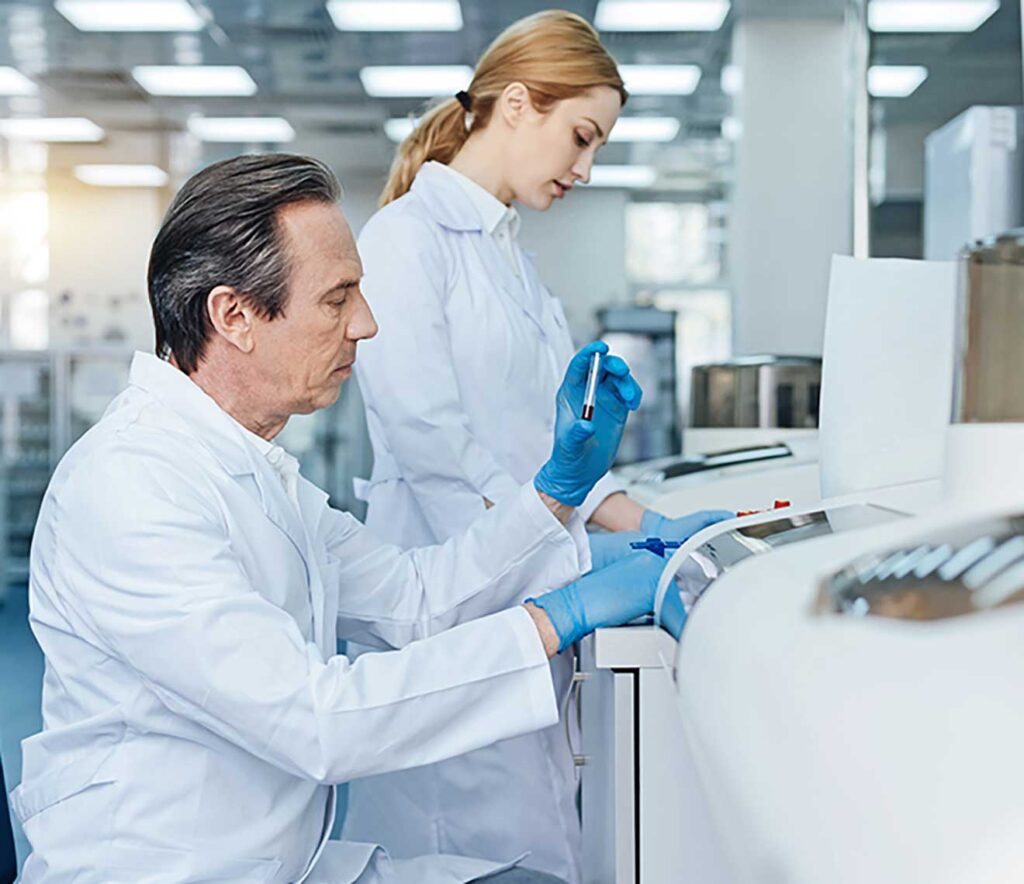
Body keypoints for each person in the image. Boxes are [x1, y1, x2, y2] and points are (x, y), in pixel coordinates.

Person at [10, 154, 675, 884]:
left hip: (280, 862)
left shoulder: (254, 469)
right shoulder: (132, 486)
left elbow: (415, 597)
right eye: (337, 298)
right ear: (233, 315)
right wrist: (558, 617)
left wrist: (555, 491)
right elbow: (319, 720)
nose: (367, 323)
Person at [349, 11, 731, 881]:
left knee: (539, 838)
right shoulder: (406, 240)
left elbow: (558, 461)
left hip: (522, 594)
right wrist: (576, 552)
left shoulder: (515, 265)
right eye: (581, 137)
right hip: (450, 596)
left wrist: (671, 529)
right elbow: (434, 447)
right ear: (516, 104)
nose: (585, 168)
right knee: (467, 848)